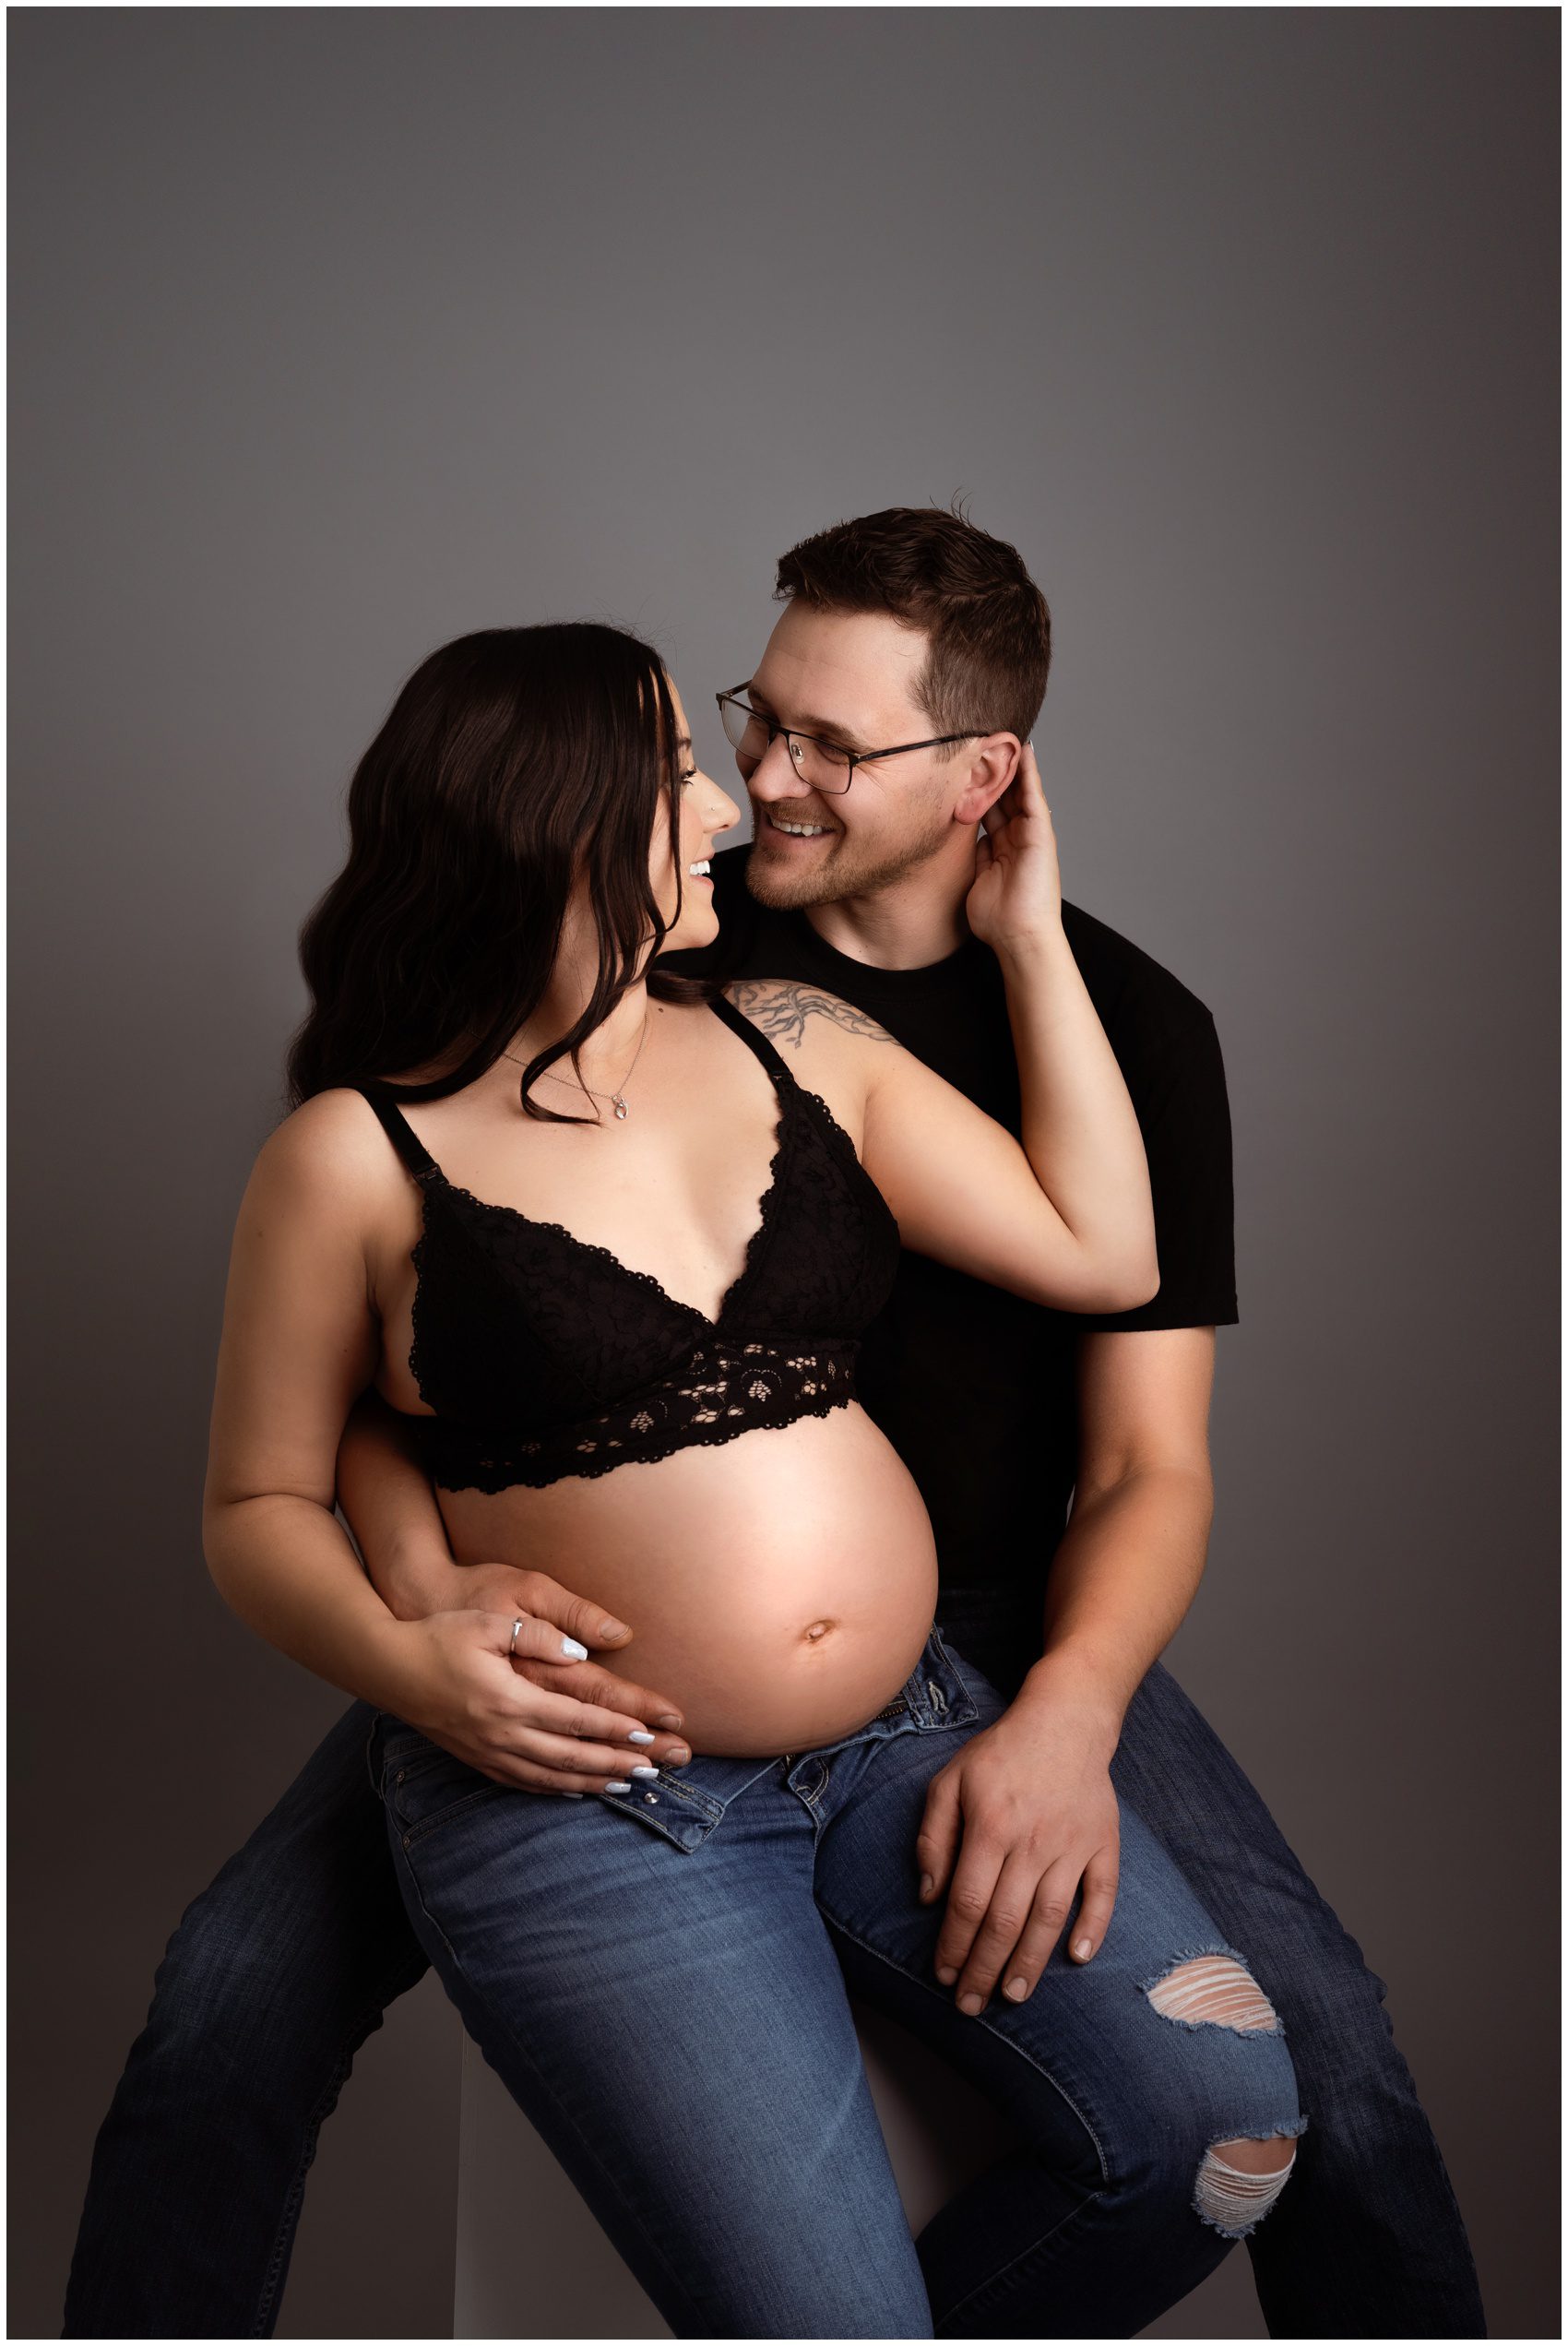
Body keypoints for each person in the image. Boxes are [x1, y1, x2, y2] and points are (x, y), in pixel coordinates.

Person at [63, 511, 1483, 2340]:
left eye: (830, 747)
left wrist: (1066, 1712)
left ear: (983, 776)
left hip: (965, 1658)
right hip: (597, 1707)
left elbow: (1139, 1421)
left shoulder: (1055, 1026)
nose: (757, 787)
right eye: (746, 728)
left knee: (1310, 2067)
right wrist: (415, 1616)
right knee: (232, 1993)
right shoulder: (651, 1000)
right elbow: (364, 1402)